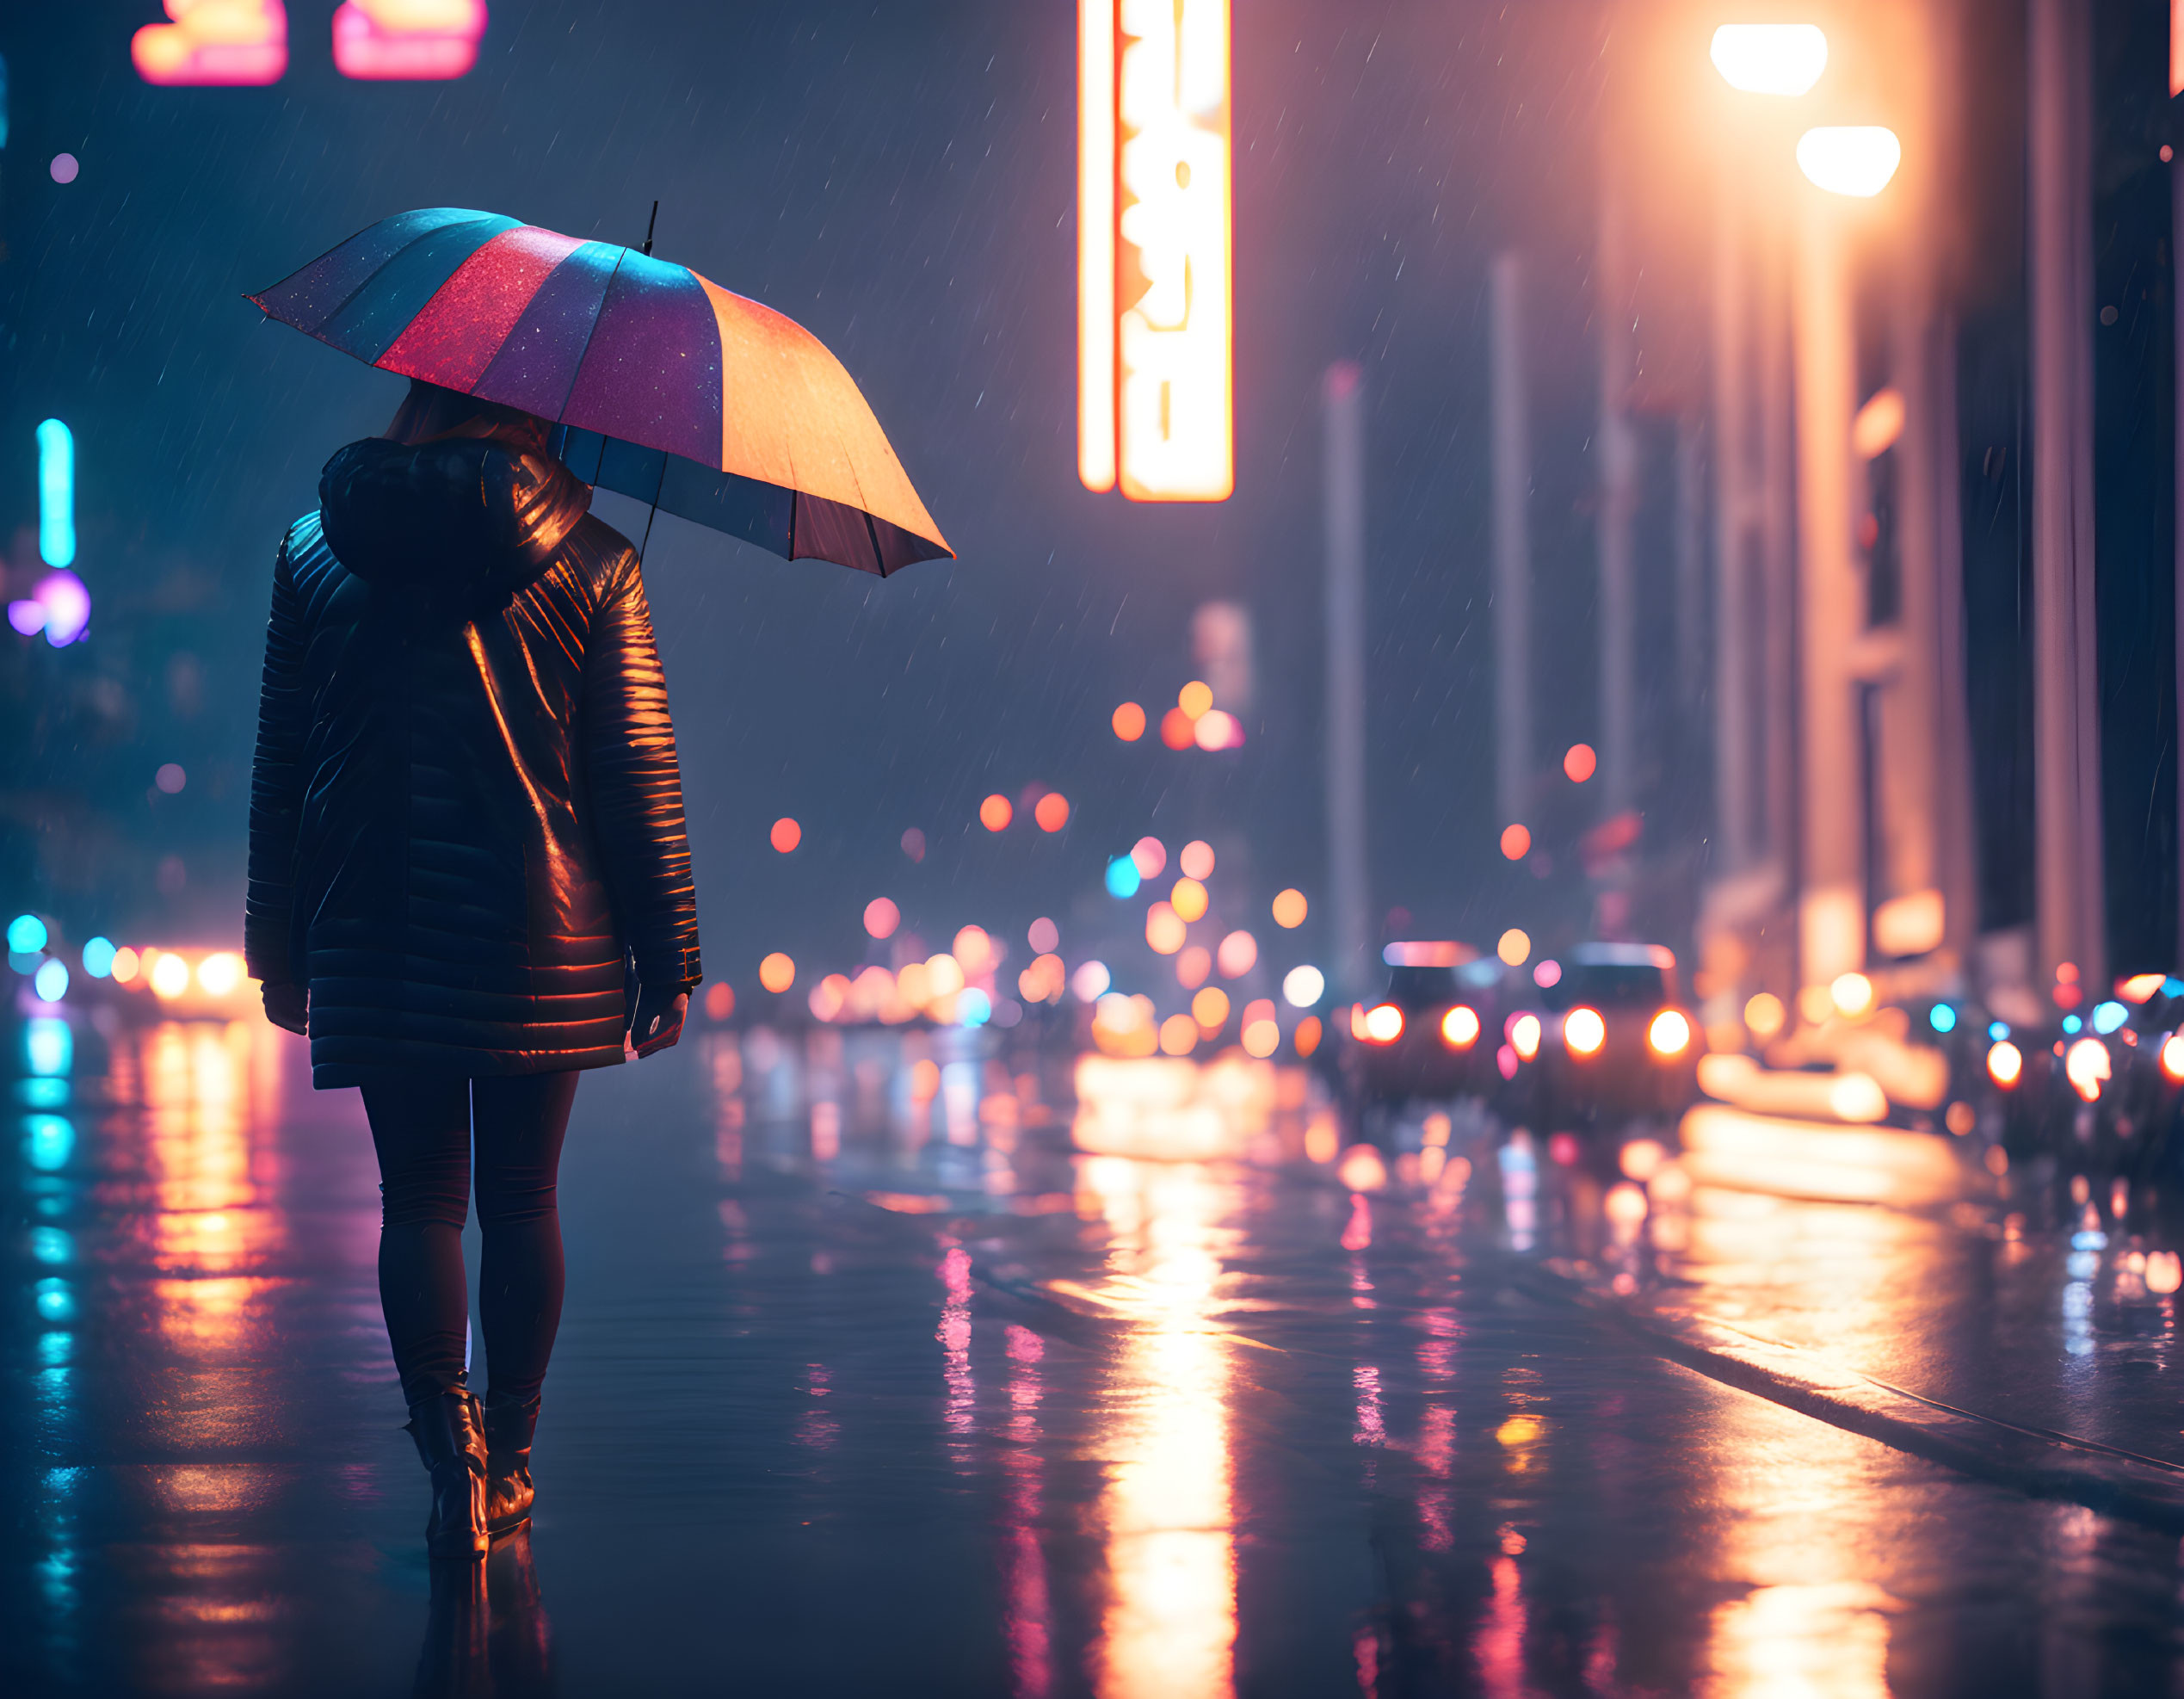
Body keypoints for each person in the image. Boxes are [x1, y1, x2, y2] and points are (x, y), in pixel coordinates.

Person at [244, 378, 700, 1560]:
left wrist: (276, 945)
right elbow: (633, 771)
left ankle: (447, 1460)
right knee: (520, 1199)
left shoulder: (312, 550)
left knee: (420, 1202)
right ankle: (512, 1459)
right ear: (533, 419)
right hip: (539, 934)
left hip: (373, 919)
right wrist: (669, 954)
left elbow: (284, 766)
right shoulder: (594, 557)